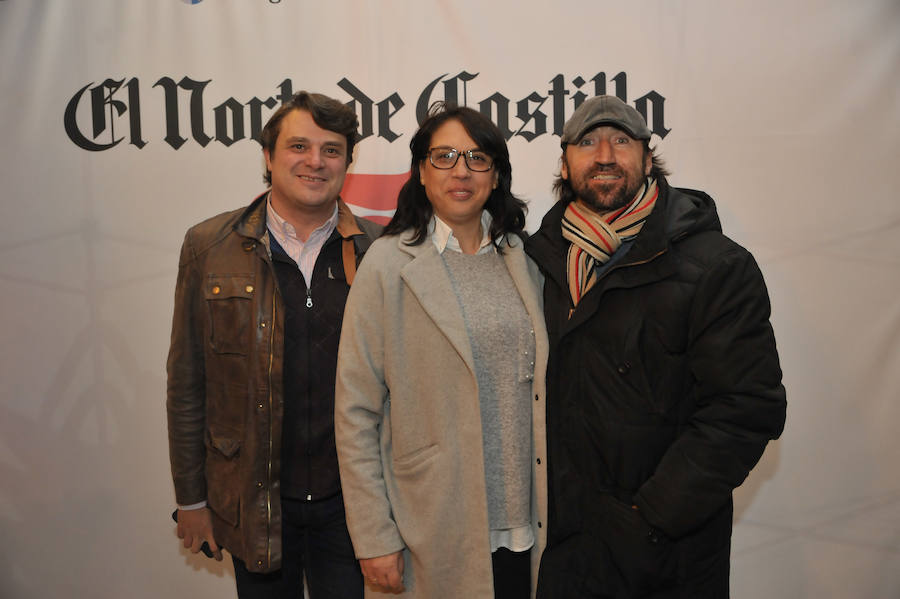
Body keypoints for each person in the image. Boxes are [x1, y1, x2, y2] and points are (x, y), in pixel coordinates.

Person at [525, 95, 787, 598]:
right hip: (563, 552)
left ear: (648, 158)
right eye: (587, 142)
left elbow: (747, 408)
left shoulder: (716, 265)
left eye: (621, 141)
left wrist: (652, 517)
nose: (604, 155)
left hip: (666, 558)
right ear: (564, 163)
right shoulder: (540, 261)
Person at [166, 91, 381, 599]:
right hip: (254, 501)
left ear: (348, 162)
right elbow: (187, 383)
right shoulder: (209, 245)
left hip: (350, 506)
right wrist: (192, 499)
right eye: (299, 146)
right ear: (268, 156)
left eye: (332, 149)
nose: (315, 161)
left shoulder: (380, 250)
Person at [334, 103, 549, 598]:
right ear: (421, 172)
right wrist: (373, 535)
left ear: (496, 176)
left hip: (526, 521)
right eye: (445, 156)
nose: (461, 171)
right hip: (431, 523)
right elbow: (355, 411)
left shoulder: (525, 259)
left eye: (477, 158)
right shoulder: (388, 264)